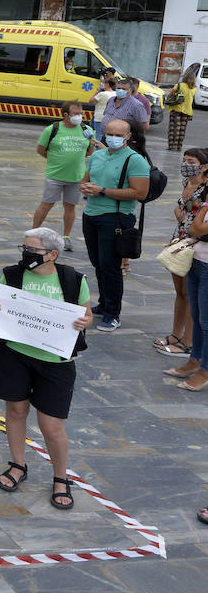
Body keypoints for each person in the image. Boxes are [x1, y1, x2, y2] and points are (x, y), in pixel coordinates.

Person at [0, 228, 92, 511]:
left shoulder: (73, 279)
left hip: (55, 362)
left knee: (51, 425)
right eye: (24, 247)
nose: (25, 254)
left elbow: (87, 314)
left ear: (52, 255)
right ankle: (18, 464)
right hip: (15, 355)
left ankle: (61, 477)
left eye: (31, 250)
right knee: (16, 411)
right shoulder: (12, 275)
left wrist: (84, 322)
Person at [79, 119, 150, 332]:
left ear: (128, 136)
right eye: (109, 133)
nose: (113, 138)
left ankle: (113, 313)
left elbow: (140, 193)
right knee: (98, 263)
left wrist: (102, 190)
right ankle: (104, 303)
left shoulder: (135, 160)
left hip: (116, 217)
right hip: (91, 214)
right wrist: (85, 187)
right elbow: (86, 179)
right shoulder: (99, 155)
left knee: (110, 266)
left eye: (118, 135)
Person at [157, 149, 208, 359]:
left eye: (192, 161)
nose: (187, 164)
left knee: (190, 294)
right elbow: (182, 209)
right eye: (185, 160)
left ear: (204, 166)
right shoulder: (187, 183)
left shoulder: (206, 188)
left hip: (194, 242)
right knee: (180, 292)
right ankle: (175, 335)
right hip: (179, 239)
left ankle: (188, 342)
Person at [33, 102, 95, 251]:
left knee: (70, 207)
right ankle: (34, 233)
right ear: (66, 115)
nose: (79, 116)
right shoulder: (52, 129)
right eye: (75, 113)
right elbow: (41, 149)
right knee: (46, 204)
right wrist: (56, 159)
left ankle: (66, 237)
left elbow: (89, 151)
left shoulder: (87, 130)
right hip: (55, 176)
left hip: (76, 177)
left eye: (81, 113)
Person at [172, 186, 208, 391]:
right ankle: (195, 359)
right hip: (197, 260)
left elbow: (196, 228)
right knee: (196, 314)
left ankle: (205, 370)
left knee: (206, 320)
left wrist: (204, 208)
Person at [166, 68, 196, 152]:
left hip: (176, 109)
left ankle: (172, 146)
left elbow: (170, 96)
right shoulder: (194, 89)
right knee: (182, 129)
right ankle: (179, 146)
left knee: (174, 128)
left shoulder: (179, 85)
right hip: (187, 111)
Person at [88, 76, 117, 142]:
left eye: (103, 83)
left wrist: (97, 91)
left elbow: (91, 100)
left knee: (99, 137)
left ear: (107, 84)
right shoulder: (115, 94)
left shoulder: (102, 94)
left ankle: (98, 150)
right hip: (111, 118)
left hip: (99, 118)